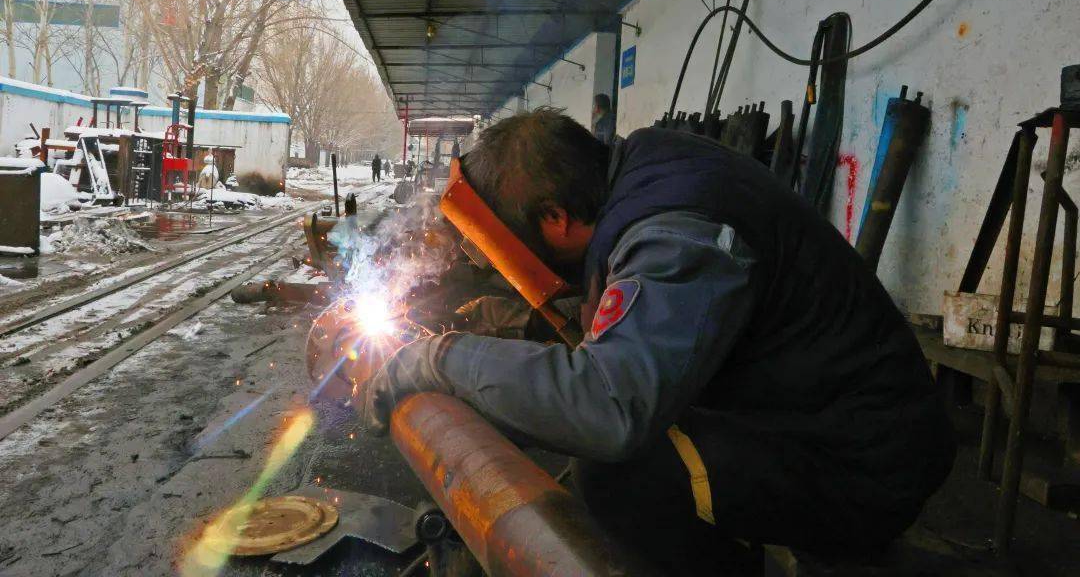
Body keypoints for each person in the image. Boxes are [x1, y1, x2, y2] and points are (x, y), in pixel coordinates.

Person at [361, 109, 954, 572]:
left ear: (554, 218)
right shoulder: (642, 173)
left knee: (619, 473)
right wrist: (520, 325)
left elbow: (610, 407)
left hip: (865, 463)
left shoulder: (678, 234)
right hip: (805, 418)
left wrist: (442, 360)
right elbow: (622, 320)